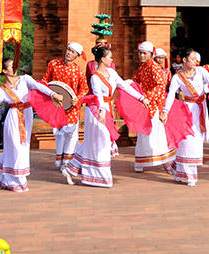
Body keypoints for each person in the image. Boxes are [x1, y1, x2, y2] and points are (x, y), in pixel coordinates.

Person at [62, 44, 149, 188]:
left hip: (107, 109)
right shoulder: (95, 77)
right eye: (110, 57)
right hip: (96, 111)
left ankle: (70, 169)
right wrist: (102, 110)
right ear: (102, 59)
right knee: (101, 141)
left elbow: (124, 86)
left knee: (92, 142)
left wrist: (141, 98)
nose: (112, 59)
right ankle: (100, 176)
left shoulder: (112, 73)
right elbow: (97, 96)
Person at [0, 57, 63, 191]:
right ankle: (15, 181)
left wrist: (53, 94)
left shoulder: (25, 79)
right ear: (4, 71)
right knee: (16, 148)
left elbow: (39, 86)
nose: (15, 68)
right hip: (13, 118)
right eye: (12, 66)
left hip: (27, 116)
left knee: (20, 147)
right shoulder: (2, 90)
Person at [161, 48, 209, 187]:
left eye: (196, 59)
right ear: (184, 60)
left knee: (197, 140)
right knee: (187, 140)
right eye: (193, 59)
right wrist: (165, 111)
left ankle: (179, 170)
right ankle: (190, 175)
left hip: (200, 110)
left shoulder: (201, 71)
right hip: (187, 111)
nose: (196, 61)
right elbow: (170, 95)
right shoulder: (177, 78)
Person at [41, 42, 89, 169]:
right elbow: (45, 80)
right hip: (56, 105)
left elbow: (84, 89)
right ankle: (63, 158)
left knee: (71, 134)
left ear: (77, 55)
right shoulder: (53, 64)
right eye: (68, 50)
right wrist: (48, 93)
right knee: (58, 133)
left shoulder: (79, 71)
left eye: (73, 52)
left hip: (71, 108)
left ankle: (67, 162)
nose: (69, 53)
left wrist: (77, 99)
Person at [131, 41, 175, 173]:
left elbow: (160, 86)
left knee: (156, 134)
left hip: (153, 105)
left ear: (151, 54)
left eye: (144, 53)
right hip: (144, 104)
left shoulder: (154, 67)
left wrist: (146, 97)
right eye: (140, 53)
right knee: (143, 134)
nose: (142, 56)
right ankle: (141, 161)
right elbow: (135, 81)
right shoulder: (143, 67)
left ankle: (164, 161)